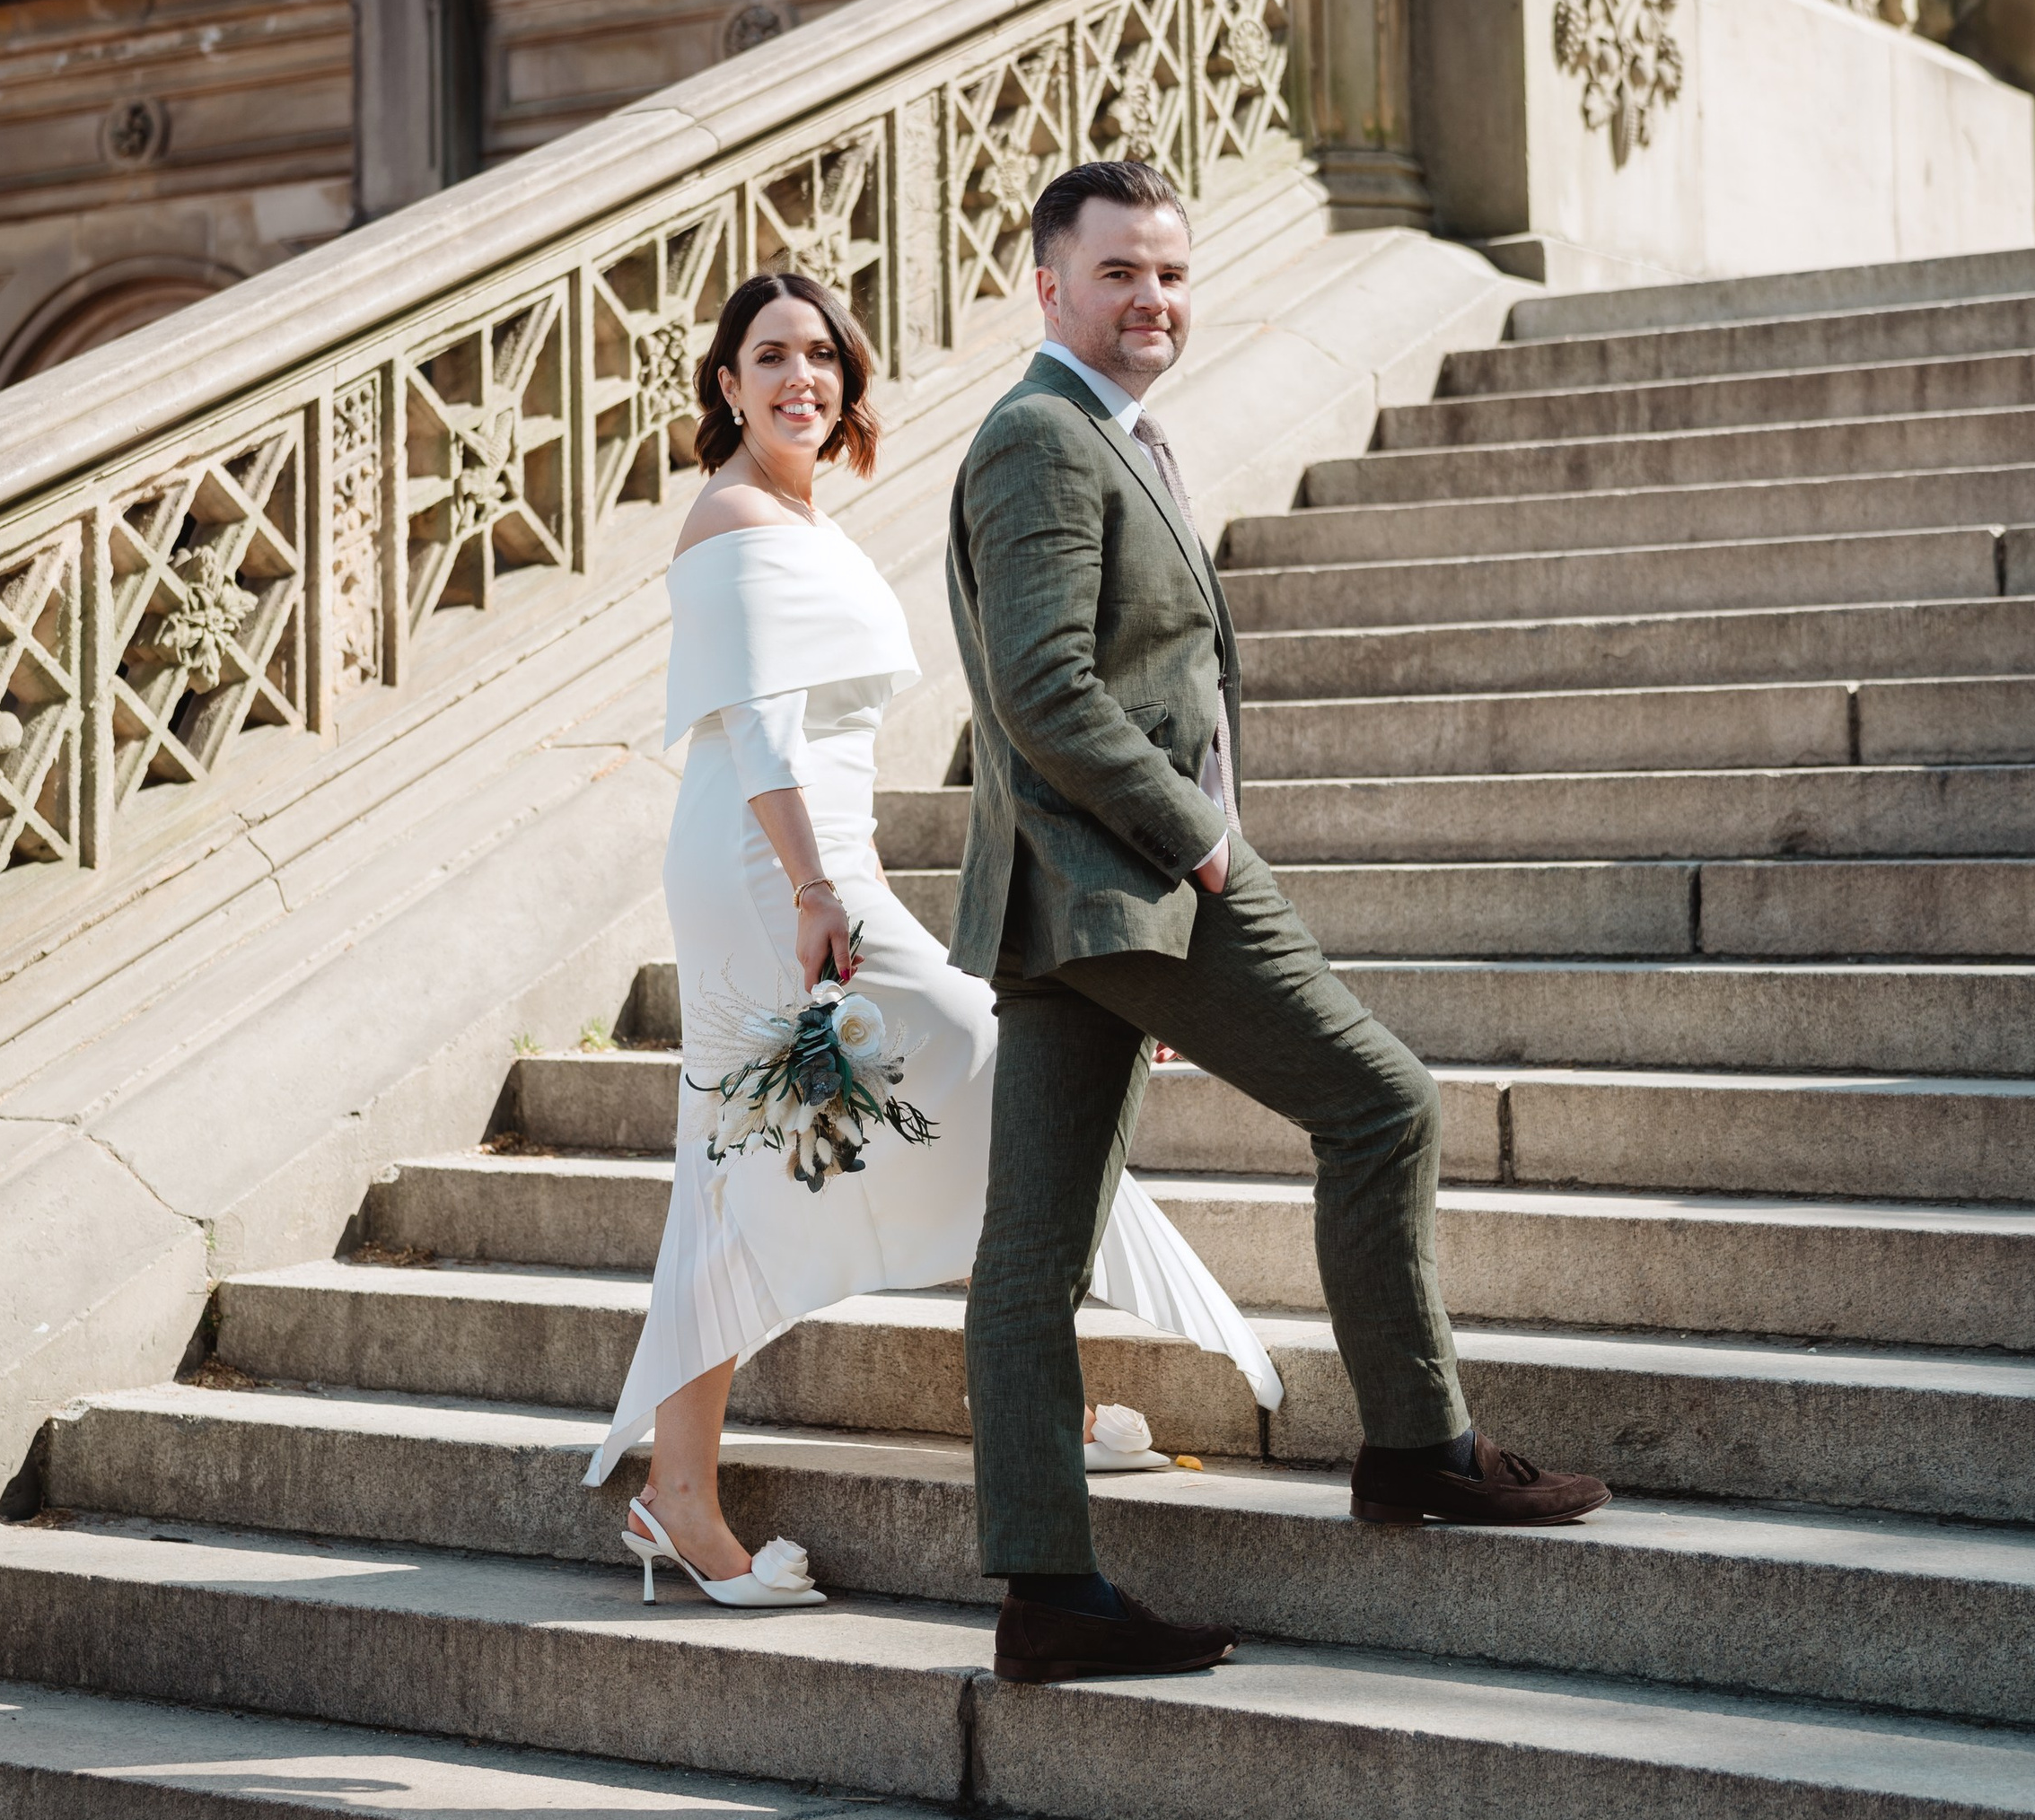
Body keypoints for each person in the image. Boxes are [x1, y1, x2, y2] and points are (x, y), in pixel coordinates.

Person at [946, 158, 1612, 1691]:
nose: (1154, 298)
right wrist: (1200, 851)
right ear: (1047, 287)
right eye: (1120, 272)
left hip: (1084, 906)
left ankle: (1048, 1590)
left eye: (1171, 272)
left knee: (1034, 1250)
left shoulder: (1103, 434)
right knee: (1383, 1102)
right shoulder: (1044, 441)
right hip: (1136, 883)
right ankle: (1419, 1444)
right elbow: (1046, 694)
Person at [585, 264, 1281, 1606]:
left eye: (824, 359)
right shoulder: (732, 514)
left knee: (822, 1137)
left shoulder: (795, 516)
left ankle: (1008, 1407)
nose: (802, 379)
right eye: (772, 356)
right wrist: (810, 889)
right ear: (724, 384)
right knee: (929, 1091)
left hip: (816, 861)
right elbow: (757, 723)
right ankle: (694, 1490)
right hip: (767, 866)